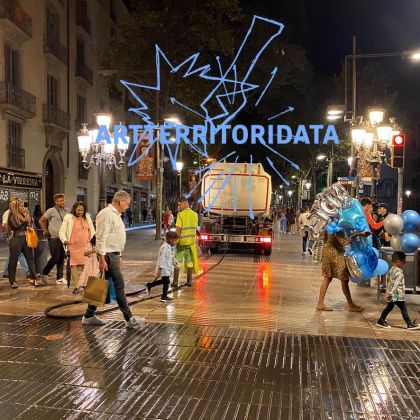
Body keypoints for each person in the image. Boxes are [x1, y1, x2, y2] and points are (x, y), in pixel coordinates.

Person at [82, 190, 144, 328]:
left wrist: (119, 255)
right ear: (121, 201)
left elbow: (114, 237)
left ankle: (89, 315)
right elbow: (101, 238)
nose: (127, 206)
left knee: (99, 285)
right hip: (108, 255)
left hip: (112, 254)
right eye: (127, 203)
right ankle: (129, 318)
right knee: (119, 286)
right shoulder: (106, 214)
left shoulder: (115, 215)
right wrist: (102, 259)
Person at [316, 231, 364, 312]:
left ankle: (320, 303)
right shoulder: (337, 227)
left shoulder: (329, 226)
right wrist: (357, 235)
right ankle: (351, 304)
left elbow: (325, 239)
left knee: (327, 278)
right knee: (344, 278)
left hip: (327, 252)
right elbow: (344, 242)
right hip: (336, 254)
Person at [376, 251, 419, 330]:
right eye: (404, 262)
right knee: (403, 308)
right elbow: (396, 283)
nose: (405, 263)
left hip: (393, 294)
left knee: (389, 307)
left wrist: (388, 291)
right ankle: (409, 324)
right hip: (397, 294)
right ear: (399, 262)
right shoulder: (399, 271)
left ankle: (381, 320)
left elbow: (387, 281)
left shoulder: (391, 270)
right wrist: (390, 293)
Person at [59, 202, 95, 294]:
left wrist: (94, 243)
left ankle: (84, 284)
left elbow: (92, 231)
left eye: (82, 210)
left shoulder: (87, 217)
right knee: (73, 265)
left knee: (86, 266)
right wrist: (64, 240)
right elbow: (61, 232)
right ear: (74, 209)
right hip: (73, 246)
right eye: (78, 210)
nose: (80, 212)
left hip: (86, 246)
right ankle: (76, 286)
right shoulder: (68, 217)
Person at [6, 200, 39, 288]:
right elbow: (16, 227)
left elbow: (29, 225)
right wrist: (25, 220)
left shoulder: (24, 214)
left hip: (26, 238)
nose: (23, 208)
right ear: (16, 208)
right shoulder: (12, 217)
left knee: (30, 259)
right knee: (13, 260)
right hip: (16, 239)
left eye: (23, 206)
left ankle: (34, 278)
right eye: (21, 206)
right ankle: (12, 281)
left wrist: (28, 219)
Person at [39, 193, 69, 284]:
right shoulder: (51, 210)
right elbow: (41, 220)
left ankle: (60, 277)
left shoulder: (67, 211)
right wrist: (45, 231)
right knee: (55, 257)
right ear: (56, 202)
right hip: (53, 237)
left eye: (63, 200)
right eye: (60, 201)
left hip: (63, 238)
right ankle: (45, 272)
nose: (62, 202)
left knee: (61, 258)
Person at [172, 197, 200, 287]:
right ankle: (189, 281)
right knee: (189, 262)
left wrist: (174, 241)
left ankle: (175, 282)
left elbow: (178, 231)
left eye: (179, 205)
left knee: (177, 261)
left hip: (182, 243)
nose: (178, 207)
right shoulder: (195, 214)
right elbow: (195, 229)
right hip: (191, 243)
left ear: (185, 203)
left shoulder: (180, 215)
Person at [2, 197, 31, 281]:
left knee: (12, 255)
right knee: (20, 254)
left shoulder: (19, 212)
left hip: (19, 236)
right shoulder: (7, 213)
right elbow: (4, 225)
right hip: (13, 236)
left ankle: (6, 272)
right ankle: (28, 272)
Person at [145, 230, 178, 302]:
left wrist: (174, 263)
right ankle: (164, 296)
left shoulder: (169, 247)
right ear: (170, 240)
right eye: (175, 241)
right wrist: (161, 268)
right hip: (164, 268)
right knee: (166, 282)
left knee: (164, 281)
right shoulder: (165, 248)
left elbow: (170, 257)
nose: (175, 242)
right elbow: (162, 258)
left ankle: (150, 285)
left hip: (167, 267)